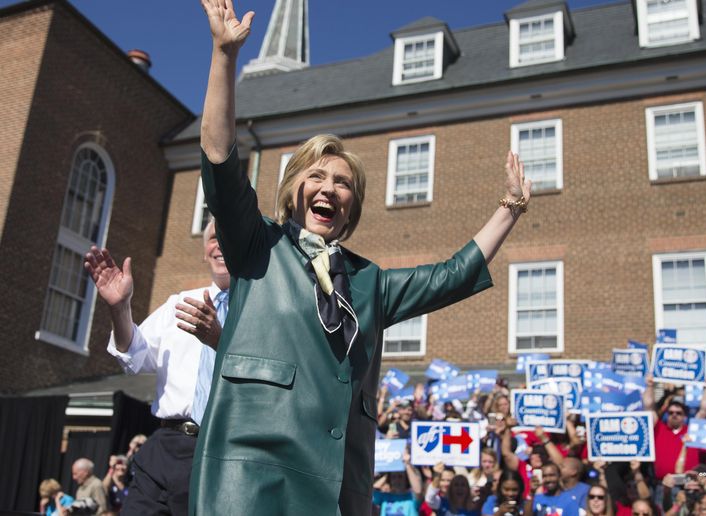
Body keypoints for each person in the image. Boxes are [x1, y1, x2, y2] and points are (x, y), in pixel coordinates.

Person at [193, 0, 532, 513]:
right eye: (318, 176)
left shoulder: (369, 281)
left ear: (352, 205)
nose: (330, 188)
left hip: (335, 485)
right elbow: (220, 161)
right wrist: (223, 57)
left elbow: (453, 276)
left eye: (344, 183)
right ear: (295, 190)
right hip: (251, 474)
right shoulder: (257, 245)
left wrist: (511, 207)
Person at [83, 219, 229, 515]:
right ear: (204, 251)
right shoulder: (180, 303)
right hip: (166, 447)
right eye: (214, 238)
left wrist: (221, 339)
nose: (221, 245)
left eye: (230, 236)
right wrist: (120, 307)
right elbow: (133, 356)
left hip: (223, 451)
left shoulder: (265, 309)